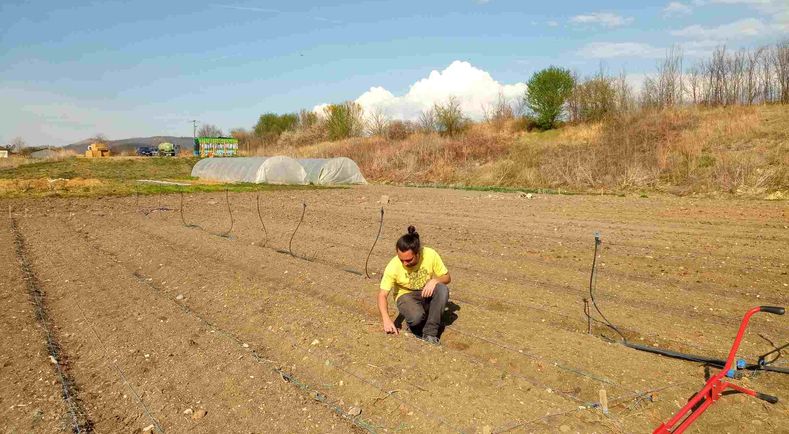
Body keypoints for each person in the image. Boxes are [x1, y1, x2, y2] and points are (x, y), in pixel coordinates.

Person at [378, 225, 451, 345]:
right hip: (405, 295)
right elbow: (382, 295)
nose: (405, 264)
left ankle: (430, 334)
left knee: (442, 289)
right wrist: (386, 319)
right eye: (401, 260)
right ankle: (415, 325)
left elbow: (447, 277)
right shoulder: (393, 265)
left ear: (418, 253)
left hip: (425, 292)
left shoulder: (430, 254)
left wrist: (435, 281)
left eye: (409, 260)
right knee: (416, 317)